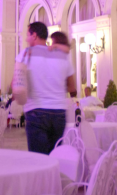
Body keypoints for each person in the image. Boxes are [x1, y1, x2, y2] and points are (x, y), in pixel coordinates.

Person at [15, 22, 76, 155]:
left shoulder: (26, 54)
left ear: (34, 35)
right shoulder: (62, 55)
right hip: (59, 112)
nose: (26, 39)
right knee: (55, 156)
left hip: (36, 111)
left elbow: (16, 82)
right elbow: (72, 87)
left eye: (27, 35)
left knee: (39, 159)